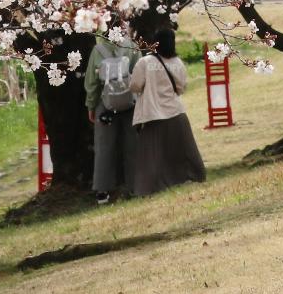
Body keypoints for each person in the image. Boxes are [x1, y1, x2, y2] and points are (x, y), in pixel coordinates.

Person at [128, 28, 206, 197]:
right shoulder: (177, 62)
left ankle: (149, 188)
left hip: (153, 115)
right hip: (176, 113)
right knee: (183, 152)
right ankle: (192, 176)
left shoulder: (145, 62)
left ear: (156, 42)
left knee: (151, 156)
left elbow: (134, 85)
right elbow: (182, 88)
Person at [84, 32, 139, 204]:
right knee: (132, 144)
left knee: (103, 146)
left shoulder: (97, 50)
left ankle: (102, 190)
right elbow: (139, 74)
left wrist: (91, 105)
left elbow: (92, 82)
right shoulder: (132, 46)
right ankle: (134, 185)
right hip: (130, 102)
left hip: (105, 103)